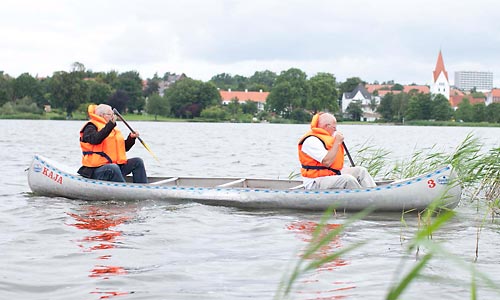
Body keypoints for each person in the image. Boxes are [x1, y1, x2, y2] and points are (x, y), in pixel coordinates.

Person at [298, 112, 376, 189]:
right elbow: (327, 162)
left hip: (332, 175)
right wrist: (337, 142)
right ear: (326, 126)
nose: (335, 130)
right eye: (334, 127)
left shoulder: (328, 138)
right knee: (347, 179)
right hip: (315, 182)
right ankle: (363, 199)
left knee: (360, 171)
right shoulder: (311, 140)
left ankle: (374, 194)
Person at [77, 104, 148, 183]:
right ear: (101, 115)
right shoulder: (90, 126)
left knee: (137, 162)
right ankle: (125, 191)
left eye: (112, 114)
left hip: (115, 167)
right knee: (113, 168)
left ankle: (143, 188)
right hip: (95, 170)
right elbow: (95, 139)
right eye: (110, 114)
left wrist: (131, 138)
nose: (113, 116)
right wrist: (110, 125)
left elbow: (123, 148)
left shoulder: (111, 129)